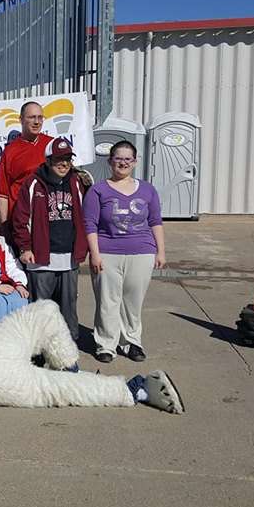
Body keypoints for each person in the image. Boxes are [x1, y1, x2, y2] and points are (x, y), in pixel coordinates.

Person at [84, 140, 165, 364]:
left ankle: (131, 343)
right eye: (118, 158)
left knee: (133, 301)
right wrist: (95, 254)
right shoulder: (97, 190)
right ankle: (106, 344)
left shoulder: (148, 189)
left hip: (142, 252)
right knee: (108, 300)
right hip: (107, 252)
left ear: (135, 161)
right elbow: (90, 224)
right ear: (110, 161)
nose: (123, 163)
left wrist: (161, 251)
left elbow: (155, 221)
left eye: (127, 159)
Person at [11, 137, 88, 342]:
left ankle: (69, 348)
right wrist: (25, 248)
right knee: (41, 308)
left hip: (69, 258)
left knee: (68, 308)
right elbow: (20, 220)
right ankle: (39, 348)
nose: (64, 164)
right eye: (59, 159)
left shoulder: (76, 181)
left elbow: (83, 216)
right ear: (47, 160)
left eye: (68, 159)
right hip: (41, 258)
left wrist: (82, 247)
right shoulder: (33, 183)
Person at [0, 102, 53, 222]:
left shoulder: (52, 145)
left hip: (49, 216)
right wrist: (4, 226)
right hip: (21, 219)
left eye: (40, 117)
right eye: (31, 117)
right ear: (21, 120)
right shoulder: (10, 151)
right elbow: (3, 194)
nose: (36, 122)